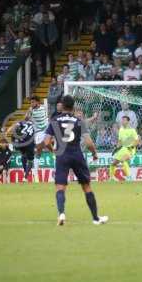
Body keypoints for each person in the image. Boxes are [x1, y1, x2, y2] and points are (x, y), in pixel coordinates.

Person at [44, 95, 108, 226]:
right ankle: (96, 218)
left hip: (62, 154)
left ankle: (61, 213)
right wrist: (94, 153)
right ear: (73, 107)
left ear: (62, 105)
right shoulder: (79, 121)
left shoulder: (55, 120)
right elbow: (89, 142)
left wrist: (54, 151)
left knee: (60, 187)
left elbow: (46, 142)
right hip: (77, 154)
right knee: (86, 186)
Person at [109, 116, 140, 181]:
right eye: (122, 120)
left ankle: (129, 177)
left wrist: (131, 147)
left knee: (123, 160)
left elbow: (137, 141)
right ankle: (111, 178)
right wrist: (116, 149)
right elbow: (120, 141)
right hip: (123, 149)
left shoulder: (132, 130)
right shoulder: (121, 129)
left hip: (130, 149)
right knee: (113, 163)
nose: (122, 121)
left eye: (124, 120)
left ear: (128, 121)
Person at [27, 96, 49, 181]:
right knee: (39, 151)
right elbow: (26, 118)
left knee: (51, 147)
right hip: (39, 132)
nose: (31, 104)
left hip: (47, 130)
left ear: (37, 102)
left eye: (33, 102)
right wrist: (29, 113)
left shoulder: (43, 107)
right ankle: (35, 174)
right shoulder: (31, 110)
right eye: (31, 102)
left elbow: (47, 117)